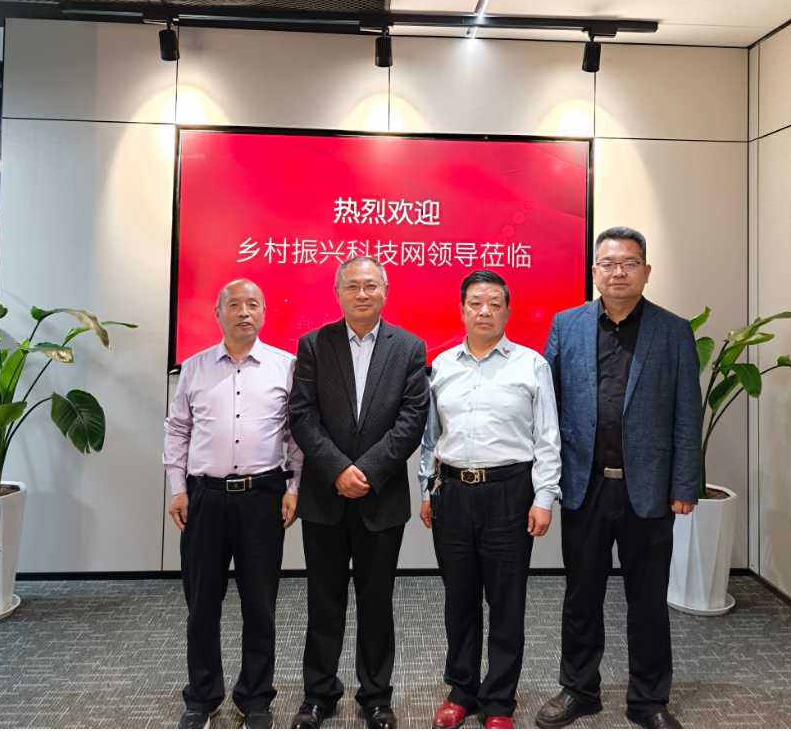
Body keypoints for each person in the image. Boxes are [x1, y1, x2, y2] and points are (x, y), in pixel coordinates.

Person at [536, 227, 700, 730]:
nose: (618, 272)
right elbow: (547, 408)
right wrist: (545, 480)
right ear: (594, 272)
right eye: (608, 264)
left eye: (629, 263)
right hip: (585, 486)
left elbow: (687, 413)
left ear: (646, 271)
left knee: (647, 600)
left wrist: (685, 485)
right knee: (581, 596)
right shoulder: (567, 326)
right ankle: (578, 689)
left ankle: (648, 699)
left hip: (647, 489)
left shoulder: (673, 331)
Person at [288, 255, 429, 730]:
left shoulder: (409, 347)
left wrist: (365, 471)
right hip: (324, 497)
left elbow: (412, 420)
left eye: (371, 285)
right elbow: (302, 414)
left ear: (385, 291)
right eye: (353, 286)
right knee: (323, 600)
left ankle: (376, 696)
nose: (362, 294)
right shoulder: (314, 344)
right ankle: (319, 694)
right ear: (338, 293)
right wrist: (337, 471)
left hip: (380, 497)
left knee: (376, 601)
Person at [419, 270, 561, 730]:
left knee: (506, 601)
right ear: (462, 310)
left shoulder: (531, 365)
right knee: (459, 599)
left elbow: (547, 438)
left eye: (494, 304)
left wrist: (544, 496)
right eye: (475, 303)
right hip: (452, 492)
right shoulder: (442, 365)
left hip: (510, 493)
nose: (485, 311)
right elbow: (430, 438)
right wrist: (426, 489)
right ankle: (461, 690)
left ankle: (499, 699)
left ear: (507, 311)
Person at [163, 279, 303, 730]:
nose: (245, 312)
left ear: (264, 312)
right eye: (235, 305)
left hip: (263, 497)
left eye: (253, 304)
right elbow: (178, 429)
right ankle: (201, 697)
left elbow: (294, 435)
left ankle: (255, 698)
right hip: (204, 497)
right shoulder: (195, 368)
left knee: (260, 603)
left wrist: (294, 487)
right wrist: (177, 487)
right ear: (218, 313)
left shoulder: (285, 367)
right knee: (202, 603)